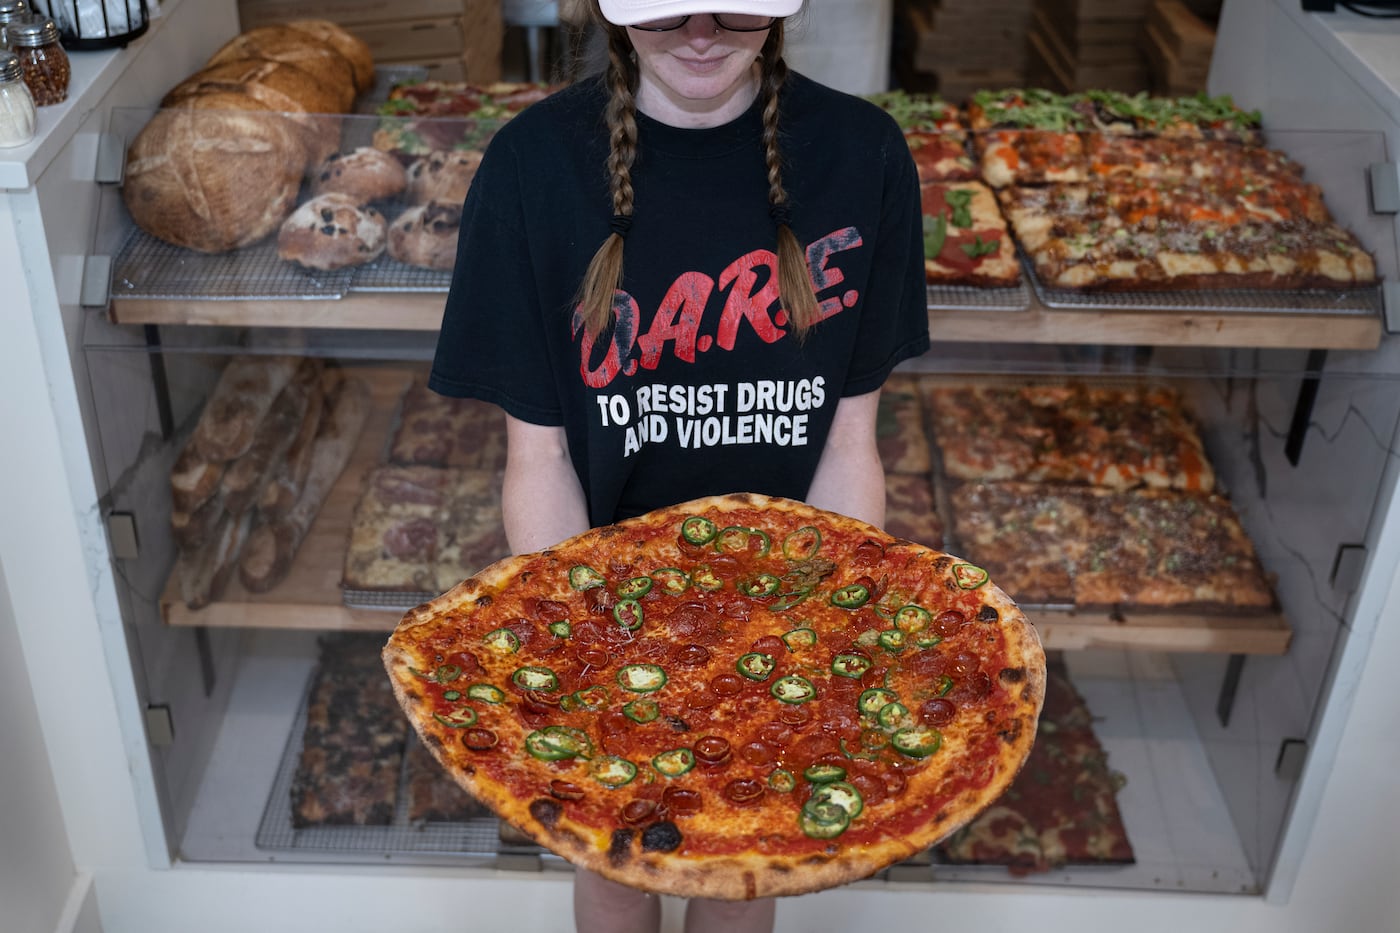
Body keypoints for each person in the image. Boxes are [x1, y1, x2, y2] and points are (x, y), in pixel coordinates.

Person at [429, 1, 929, 929]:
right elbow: (537, 456)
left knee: (748, 855)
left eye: (736, 12)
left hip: (785, 599)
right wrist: (594, 656)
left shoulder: (864, 156)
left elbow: (849, 442)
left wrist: (819, 639)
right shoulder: (532, 167)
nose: (701, 34)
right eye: (664, 13)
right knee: (611, 856)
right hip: (600, 598)